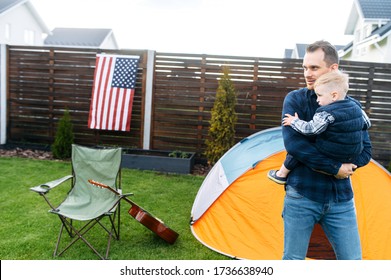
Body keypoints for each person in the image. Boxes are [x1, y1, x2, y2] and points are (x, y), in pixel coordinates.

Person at [279, 40, 372, 260]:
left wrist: (344, 164)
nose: (307, 74)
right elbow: (294, 145)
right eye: (305, 68)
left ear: (333, 69)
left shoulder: (353, 107)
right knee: (293, 261)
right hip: (302, 195)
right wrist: (335, 167)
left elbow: (365, 150)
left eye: (314, 68)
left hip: (341, 201)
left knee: (353, 262)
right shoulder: (296, 99)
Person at [268, 70, 371, 184]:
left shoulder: (326, 112)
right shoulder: (356, 107)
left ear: (334, 96)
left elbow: (311, 129)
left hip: (330, 153)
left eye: (320, 95)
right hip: (351, 155)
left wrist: (295, 121)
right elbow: (366, 124)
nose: (317, 100)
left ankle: (282, 174)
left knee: (307, 142)